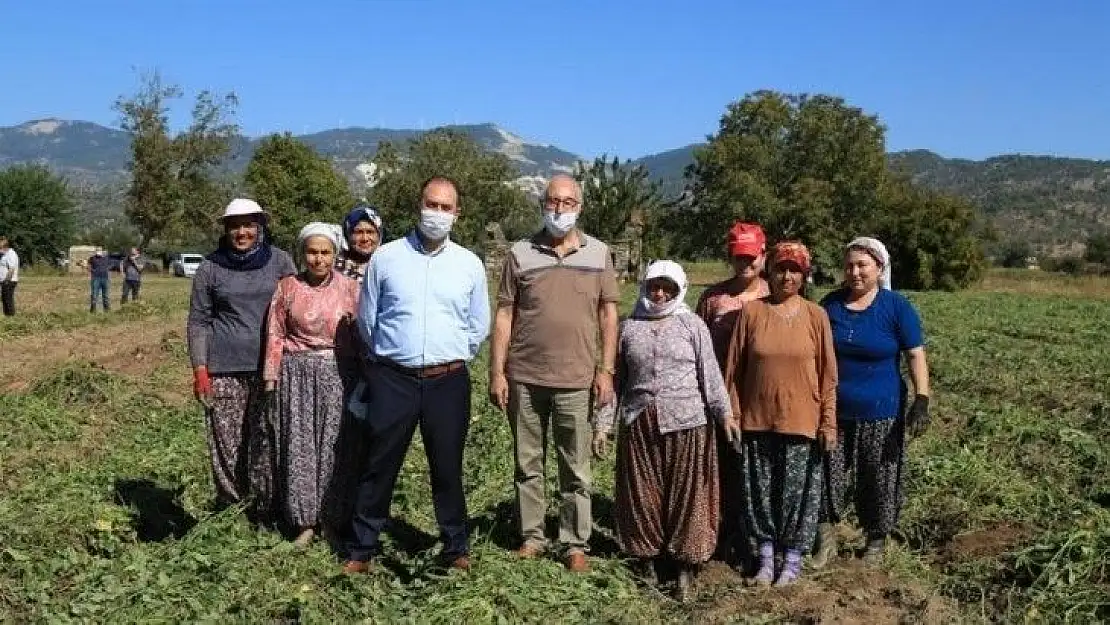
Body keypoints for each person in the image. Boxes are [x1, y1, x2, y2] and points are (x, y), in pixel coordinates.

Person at [344, 176, 490, 574]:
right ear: (418, 206)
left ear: (457, 214)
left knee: (447, 465)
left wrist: (451, 356)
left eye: (446, 207)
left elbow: (478, 326)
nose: (437, 213)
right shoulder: (386, 258)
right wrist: (393, 361)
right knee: (380, 463)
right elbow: (367, 321)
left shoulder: (469, 264)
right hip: (394, 378)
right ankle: (362, 549)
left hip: (448, 380)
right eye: (432, 204)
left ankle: (455, 546)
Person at [488, 174, 620, 572]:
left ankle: (574, 542)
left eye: (567, 201)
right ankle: (532, 536)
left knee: (575, 466)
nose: (559, 209)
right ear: (542, 204)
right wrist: (497, 371)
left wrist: (607, 370)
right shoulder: (520, 253)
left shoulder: (598, 254)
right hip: (525, 376)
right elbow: (506, 314)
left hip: (577, 378)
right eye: (552, 201)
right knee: (527, 463)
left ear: (579, 205)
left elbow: (608, 314)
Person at [593, 260, 737, 600]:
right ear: (644, 287)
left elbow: (710, 375)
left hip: (687, 422)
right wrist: (602, 425)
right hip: (640, 423)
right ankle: (648, 560)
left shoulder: (693, 325)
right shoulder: (629, 327)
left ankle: (685, 566)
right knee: (643, 495)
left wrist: (724, 414)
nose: (659, 294)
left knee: (687, 496)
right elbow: (615, 380)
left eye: (667, 288)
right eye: (654, 286)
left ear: (679, 289)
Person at [723, 241, 837, 587]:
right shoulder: (752, 313)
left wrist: (828, 421)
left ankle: (792, 562)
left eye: (795, 270)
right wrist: (734, 413)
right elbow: (734, 370)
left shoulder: (816, 316)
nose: (787, 276)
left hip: (802, 422)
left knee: (797, 497)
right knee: (758, 494)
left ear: (804, 275)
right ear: (768, 271)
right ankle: (766, 561)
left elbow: (827, 374)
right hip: (757, 420)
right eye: (780, 269)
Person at [813, 237, 931, 567]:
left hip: (882, 410)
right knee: (826, 473)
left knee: (878, 475)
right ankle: (826, 537)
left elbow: (915, 355)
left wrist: (922, 398)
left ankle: (876, 541)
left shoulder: (896, 307)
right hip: (834, 409)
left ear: (879, 268)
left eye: (862, 265)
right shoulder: (831, 305)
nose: (855, 272)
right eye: (849, 265)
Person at [187, 198, 296, 518]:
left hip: (271, 368)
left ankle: (266, 508)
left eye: (249, 225)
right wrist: (201, 369)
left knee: (266, 438)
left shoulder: (280, 262)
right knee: (227, 441)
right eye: (235, 226)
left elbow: (295, 308)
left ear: (260, 227)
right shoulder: (210, 268)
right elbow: (199, 321)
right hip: (224, 367)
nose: (242, 232)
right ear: (226, 229)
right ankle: (232, 509)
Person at [263, 223, 360, 547]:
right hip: (296, 375)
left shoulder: (349, 288)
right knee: (300, 446)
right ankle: (304, 522)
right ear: (302, 254)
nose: (318, 259)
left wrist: (364, 377)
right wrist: (270, 376)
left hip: (337, 375)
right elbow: (275, 332)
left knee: (334, 447)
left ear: (335, 254)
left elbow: (362, 335)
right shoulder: (287, 287)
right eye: (312, 252)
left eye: (325, 252)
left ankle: (332, 520)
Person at [695, 221, 769, 565]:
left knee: (756, 467)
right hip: (719, 395)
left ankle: (754, 536)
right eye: (740, 258)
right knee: (720, 465)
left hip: (761, 396)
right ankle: (718, 532)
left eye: (752, 257)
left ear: (763, 256)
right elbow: (695, 346)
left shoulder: (776, 295)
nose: (746, 264)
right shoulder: (713, 299)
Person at [337, 204, 384, 282]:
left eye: (370, 232)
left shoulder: (389, 265)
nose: (365, 239)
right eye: (358, 232)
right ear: (348, 234)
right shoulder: (332, 265)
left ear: (379, 235)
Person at [88, 249, 112, 313]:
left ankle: (107, 311)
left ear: (102, 252)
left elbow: (111, 265)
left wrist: (107, 269)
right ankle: (93, 311)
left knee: (106, 296)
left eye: (99, 250)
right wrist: (93, 271)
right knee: (94, 295)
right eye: (97, 250)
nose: (98, 252)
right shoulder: (92, 258)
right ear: (95, 252)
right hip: (96, 278)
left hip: (105, 278)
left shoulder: (106, 258)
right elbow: (88, 266)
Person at [0, 236, 19, 316]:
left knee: (8, 300)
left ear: (5, 247)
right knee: (4, 299)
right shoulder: (4, 254)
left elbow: (11, 269)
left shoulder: (11, 254)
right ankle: (6, 315)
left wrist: (6, 281)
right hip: (3, 281)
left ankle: (11, 316)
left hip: (9, 281)